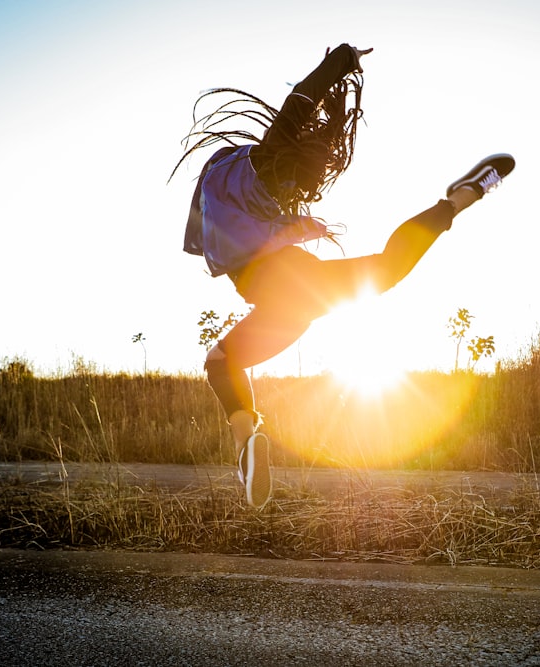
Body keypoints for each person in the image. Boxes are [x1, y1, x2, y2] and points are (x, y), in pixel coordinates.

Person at [173, 44, 514, 509]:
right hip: (298, 295)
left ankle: (246, 437)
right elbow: (302, 99)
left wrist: (341, 62)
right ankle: (456, 201)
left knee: (219, 362)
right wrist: (341, 62)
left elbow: (299, 104)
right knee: (388, 268)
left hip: (281, 297)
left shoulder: (240, 182)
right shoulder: (267, 166)